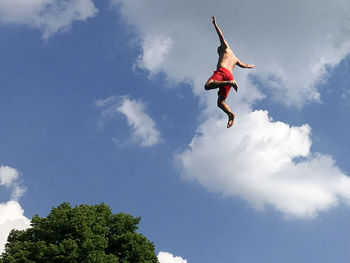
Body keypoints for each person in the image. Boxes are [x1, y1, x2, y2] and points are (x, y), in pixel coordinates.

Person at [205, 16, 255, 128]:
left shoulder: (226, 48)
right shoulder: (235, 58)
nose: (218, 54)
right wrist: (250, 66)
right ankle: (230, 114)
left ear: (221, 49)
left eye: (219, 52)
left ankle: (230, 83)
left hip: (223, 72)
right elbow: (243, 65)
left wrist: (215, 24)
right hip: (230, 76)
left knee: (208, 86)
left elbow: (221, 36)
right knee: (220, 103)